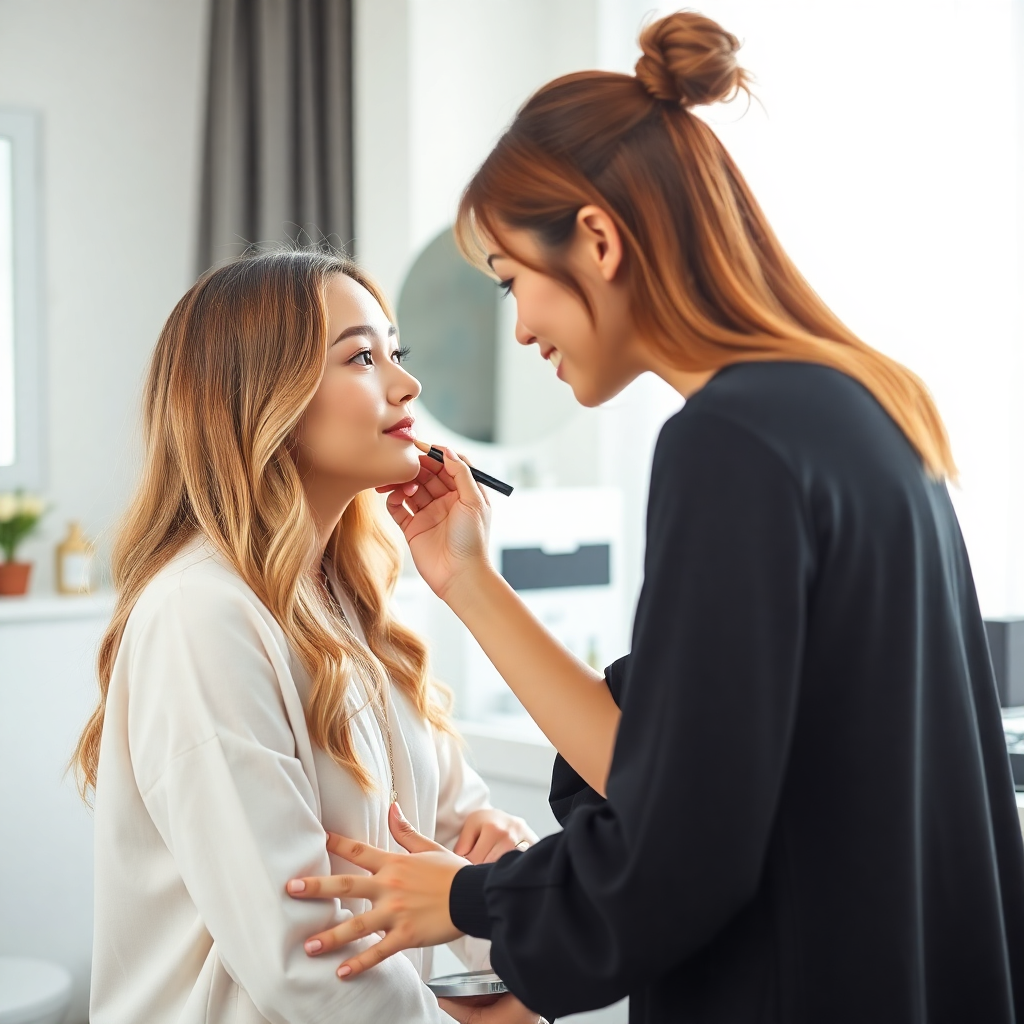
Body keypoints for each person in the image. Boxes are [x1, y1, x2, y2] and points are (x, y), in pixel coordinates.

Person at [283, 11, 1024, 1024]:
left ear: (595, 238)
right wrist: (468, 580)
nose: (521, 328)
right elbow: (667, 761)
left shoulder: (731, 443)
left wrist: (470, 900)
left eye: (513, 283)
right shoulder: (854, 407)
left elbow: (688, 839)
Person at [71, 249, 543, 1024]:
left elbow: (463, 835)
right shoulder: (202, 615)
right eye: (362, 356)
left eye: (398, 353)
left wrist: (498, 887)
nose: (407, 385)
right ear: (262, 399)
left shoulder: (359, 612)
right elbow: (306, 963)